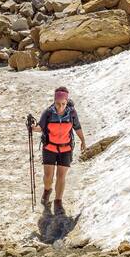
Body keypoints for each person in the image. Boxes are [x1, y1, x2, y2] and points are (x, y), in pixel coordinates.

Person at [39, 87, 86, 217]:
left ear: (66, 101)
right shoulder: (48, 113)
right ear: (54, 101)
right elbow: (40, 127)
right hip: (50, 147)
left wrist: (83, 140)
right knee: (48, 177)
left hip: (66, 148)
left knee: (61, 176)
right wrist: (32, 128)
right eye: (57, 103)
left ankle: (58, 201)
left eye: (63, 104)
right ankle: (47, 190)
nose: (60, 107)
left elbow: (77, 127)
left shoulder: (71, 113)